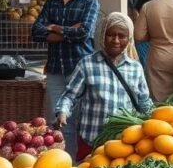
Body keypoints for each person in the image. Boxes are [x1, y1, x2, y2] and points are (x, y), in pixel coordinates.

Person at [56, 12, 154, 160]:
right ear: (103, 35)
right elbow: (70, 96)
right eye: (111, 35)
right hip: (91, 142)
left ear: (129, 39)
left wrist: (157, 120)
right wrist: (62, 111)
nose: (116, 40)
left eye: (122, 36)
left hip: (123, 145)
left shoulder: (135, 68)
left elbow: (144, 102)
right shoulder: (87, 64)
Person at [31, 0, 100, 157]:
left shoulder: (90, 2)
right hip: (55, 71)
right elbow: (36, 32)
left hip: (81, 70)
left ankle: (85, 166)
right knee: (59, 122)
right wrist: (68, 30)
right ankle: (67, 164)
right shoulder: (51, 2)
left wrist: (55, 29)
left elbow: (84, 32)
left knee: (81, 120)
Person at [133, 0, 160, 66]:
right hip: (152, 38)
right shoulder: (154, 5)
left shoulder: (139, 3)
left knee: (143, 60)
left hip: (141, 38)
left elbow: (136, 22)